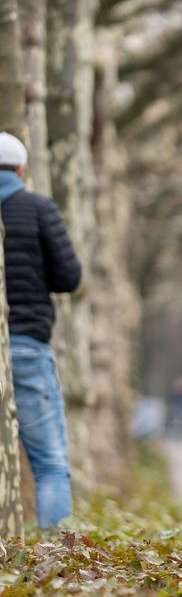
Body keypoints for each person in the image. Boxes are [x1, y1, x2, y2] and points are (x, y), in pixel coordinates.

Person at [0, 130, 82, 528]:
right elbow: (69, 277)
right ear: (21, 169)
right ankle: (54, 567)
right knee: (49, 464)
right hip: (25, 345)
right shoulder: (36, 207)